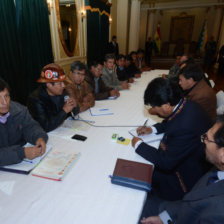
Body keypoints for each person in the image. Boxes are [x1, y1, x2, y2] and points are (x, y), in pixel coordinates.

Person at [131, 78, 212, 203]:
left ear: (166, 106)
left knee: (140, 174)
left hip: (185, 175)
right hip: (187, 158)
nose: (153, 109)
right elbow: (171, 121)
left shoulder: (184, 126)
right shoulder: (184, 104)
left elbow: (165, 162)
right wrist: (152, 129)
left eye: (154, 107)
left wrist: (139, 145)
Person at [140, 115, 224, 224]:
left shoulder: (219, 214)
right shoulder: (217, 168)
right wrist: (165, 217)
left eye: (207, 139)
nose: (203, 141)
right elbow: (193, 201)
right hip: (175, 211)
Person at [0, 79, 48, 166]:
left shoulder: (19, 110)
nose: (4, 102)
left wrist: (39, 137)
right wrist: (22, 153)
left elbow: (30, 126)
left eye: (6, 96)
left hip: (19, 165)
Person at [28, 63, 79, 132]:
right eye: (60, 83)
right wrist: (64, 111)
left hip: (61, 130)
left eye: (63, 82)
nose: (64, 85)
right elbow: (44, 126)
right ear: (49, 85)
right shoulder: (35, 99)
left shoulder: (62, 92)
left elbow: (72, 114)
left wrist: (75, 106)